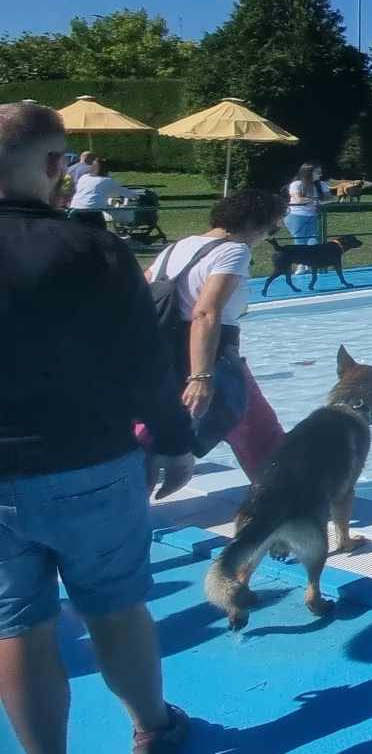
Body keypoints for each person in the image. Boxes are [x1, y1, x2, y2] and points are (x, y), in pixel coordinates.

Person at [0, 101, 199, 753]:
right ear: (58, 165)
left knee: (18, 630)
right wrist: (172, 441)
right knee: (114, 608)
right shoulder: (92, 248)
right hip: (88, 462)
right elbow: (145, 359)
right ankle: (153, 729)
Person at [141, 190, 292, 475]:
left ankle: (128, 497)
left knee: (157, 427)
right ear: (255, 224)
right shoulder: (234, 250)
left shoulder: (178, 246)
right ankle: (284, 496)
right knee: (256, 427)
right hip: (212, 349)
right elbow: (206, 312)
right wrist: (201, 375)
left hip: (164, 348)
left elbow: (141, 290)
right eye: (272, 227)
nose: (268, 236)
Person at [283, 163, 329, 247]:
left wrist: (317, 201)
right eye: (318, 173)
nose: (321, 175)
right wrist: (316, 200)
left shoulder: (322, 184)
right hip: (296, 216)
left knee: (314, 241)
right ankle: (302, 260)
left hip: (314, 216)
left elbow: (330, 198)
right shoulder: (296, 184)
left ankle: (312, 259)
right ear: (308, 173)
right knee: (301, 242)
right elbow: (298, 200)